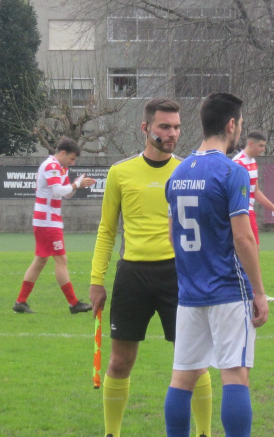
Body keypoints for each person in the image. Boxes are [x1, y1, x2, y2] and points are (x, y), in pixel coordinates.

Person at [89, 98, 214, 437]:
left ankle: (204, 433)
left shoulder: (189, 170)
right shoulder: (120, 172)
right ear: (145, 128)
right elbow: (106, 230)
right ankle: (111, 433)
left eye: (175, 127)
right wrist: (96, 280)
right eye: (164, 126)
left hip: (179, 275)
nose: (172, 133)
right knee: (120, 361)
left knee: (194, 361)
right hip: (132, 275)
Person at [163, 92, 268, 437]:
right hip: (227, 290)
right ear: (232, 125)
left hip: (189, 293)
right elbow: (243, 239)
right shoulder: (231, 172)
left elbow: (171, 236)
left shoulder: (176, 174)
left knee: (182, 377)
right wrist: (260, 293)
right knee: (235, 374)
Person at [13, 137, 96, 314]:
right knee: (61, 260)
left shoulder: (61, 168)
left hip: (49, 220)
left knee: (40, 260)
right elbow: (58, 191)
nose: (72, 163)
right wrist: (76, 184)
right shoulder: (51, 166)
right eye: (72, 159)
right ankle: (74, 304)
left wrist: (77, 185)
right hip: (47, 221)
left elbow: (65, 195)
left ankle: (20, 302)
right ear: (63, 153)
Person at [232, 130, 274, 247]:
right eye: (261, 145)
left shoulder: (252, 162)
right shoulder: (238, 163)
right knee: (252, 251)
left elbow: (255, 191)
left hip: (249, 212)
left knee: (252, 250)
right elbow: (235, 191)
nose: (263, 149)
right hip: (243, 213)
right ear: (251, 144)